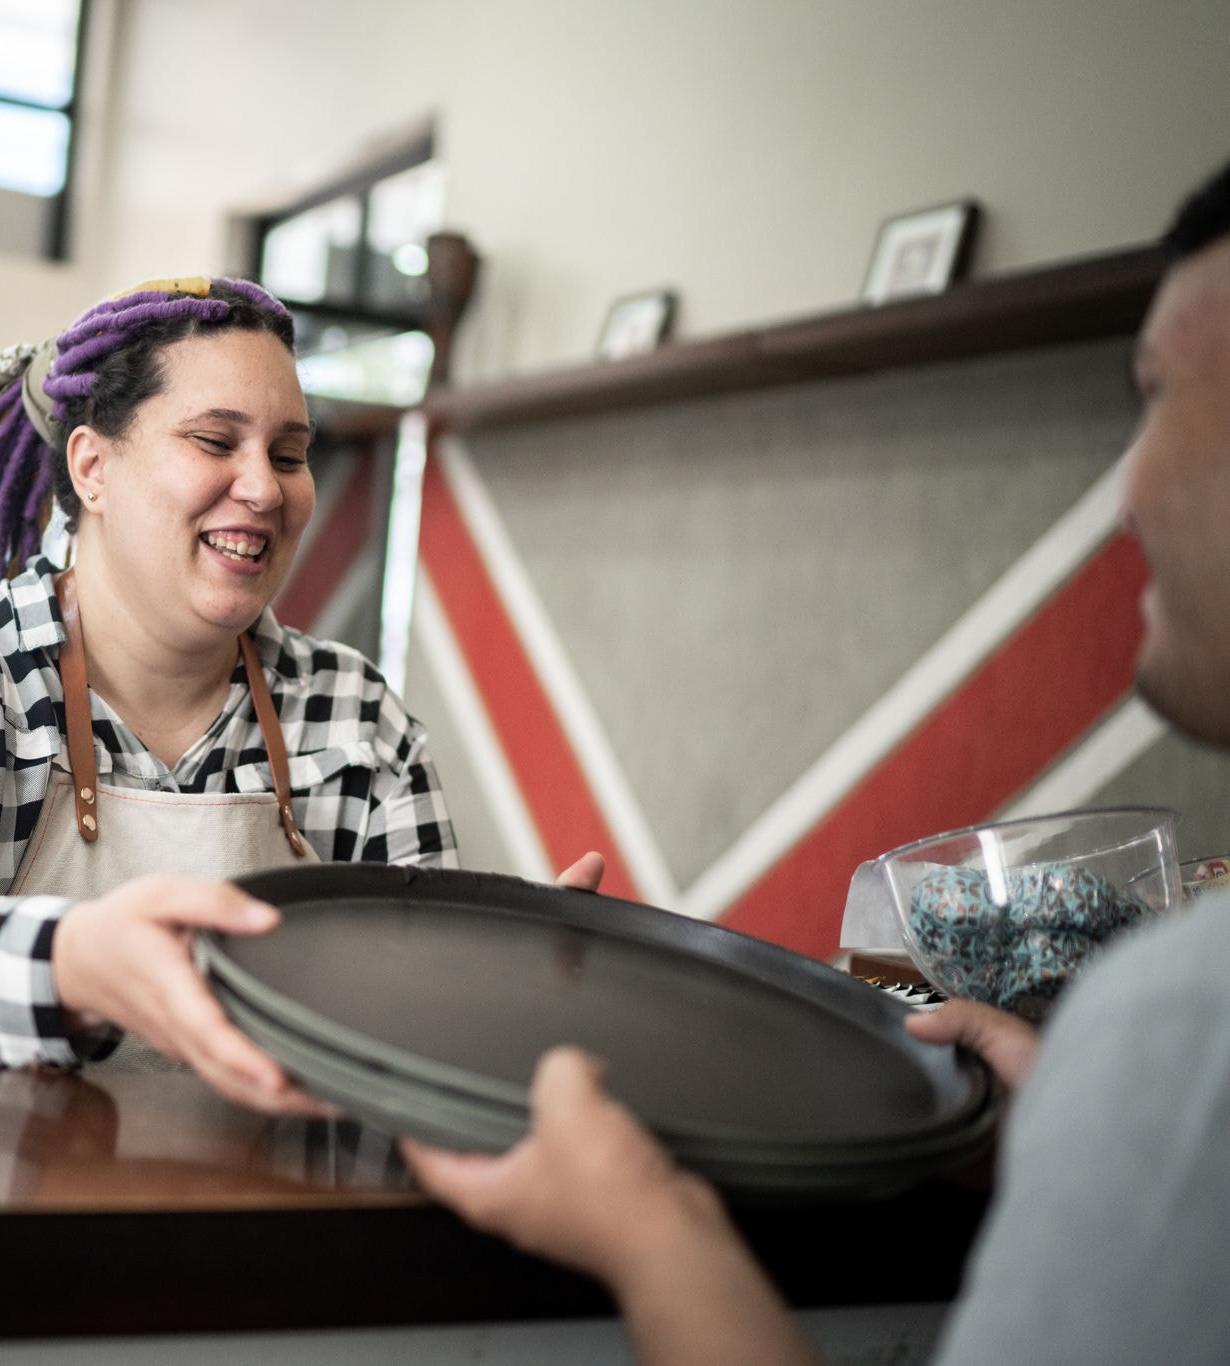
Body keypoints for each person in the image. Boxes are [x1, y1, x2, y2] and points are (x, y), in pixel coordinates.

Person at [402, 157, 1230, 1366]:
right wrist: (1075, 1116)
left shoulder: (1183, 1023)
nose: (1125, 493)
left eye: (1160, 398)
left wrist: (651, 1227)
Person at [0, 277, 497, 1109]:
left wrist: (495, 982)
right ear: (93, 468)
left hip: (254, 1213)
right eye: (215, 441)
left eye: (289, 454)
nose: (264, 488)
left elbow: (408, 1030)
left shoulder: (359, 719)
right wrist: (69, 967)